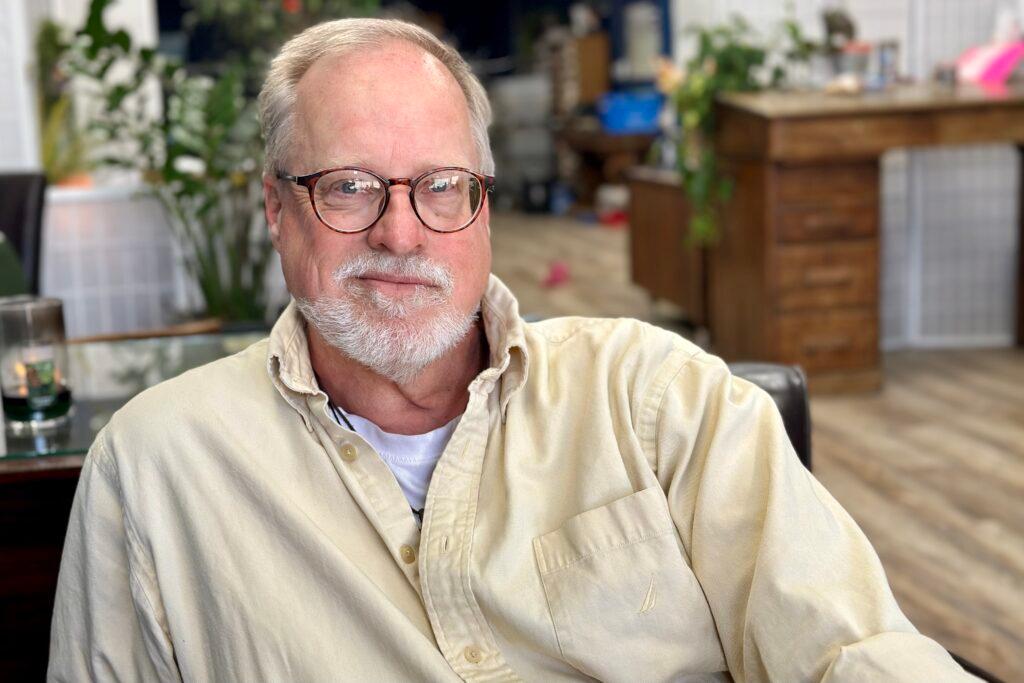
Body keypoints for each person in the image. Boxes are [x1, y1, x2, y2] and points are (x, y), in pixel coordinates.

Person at [49, 18, 977, 682]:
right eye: (349, 187)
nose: (402, 234)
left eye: (443, 187)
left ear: (483, 206)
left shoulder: (660, 401)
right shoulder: (157, 466)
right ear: (276, 210)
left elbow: (849, 650)